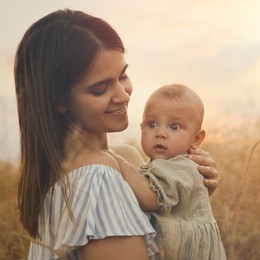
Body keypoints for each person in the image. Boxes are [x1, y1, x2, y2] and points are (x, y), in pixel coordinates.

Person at [15, 9, 219, 259]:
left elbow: (163, 221)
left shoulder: (124, 157)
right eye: (100, 89)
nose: (123, 95)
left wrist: (189, 192)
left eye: (122, 75)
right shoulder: (96, 178)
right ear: (59, 100)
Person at [112, 83, 226, 259]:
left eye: (174, 127)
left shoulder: (183, 167)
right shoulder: (159, 166)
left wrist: (121, 164)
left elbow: (150, 199)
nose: (160, 133)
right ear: (141, 127)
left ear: (196, 139)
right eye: (152, 124)